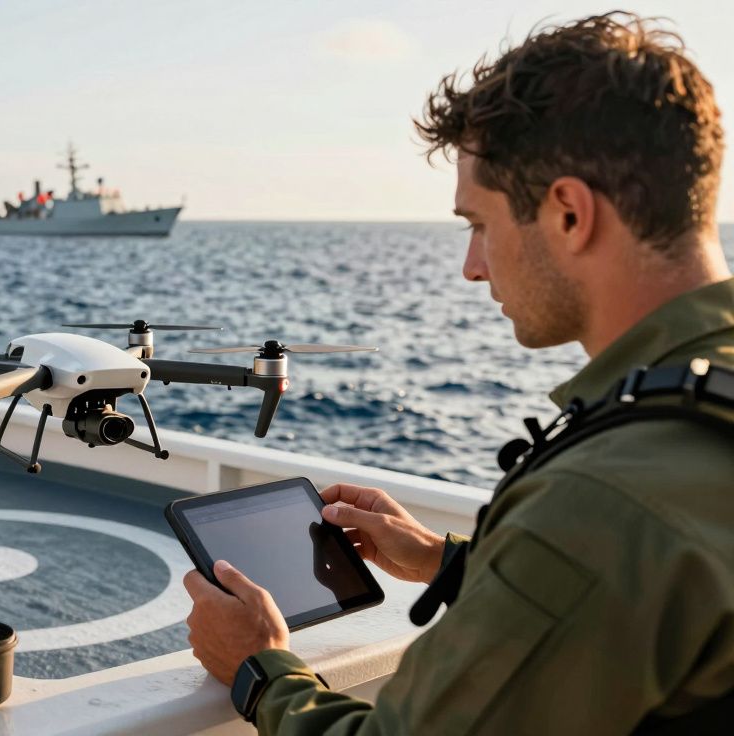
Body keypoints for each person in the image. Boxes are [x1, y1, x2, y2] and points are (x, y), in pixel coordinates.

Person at [184, 12, 734, 734]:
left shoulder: (601, 504)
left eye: (480, 224)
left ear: (569, 214)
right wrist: (450, 562)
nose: (472, 267)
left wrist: (261, 667)